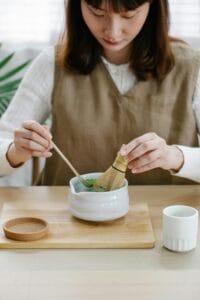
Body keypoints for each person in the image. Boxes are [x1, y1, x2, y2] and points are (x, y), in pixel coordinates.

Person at [0, 0, 200, 185]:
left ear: (153, 7)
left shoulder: (191, 67)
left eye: (129, 15)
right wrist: (15, 151)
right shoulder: (51, 63)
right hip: (66, 217)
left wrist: (175, 157)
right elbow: (4, 140)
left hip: (164, 219)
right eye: (97, 12)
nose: (112, 31)